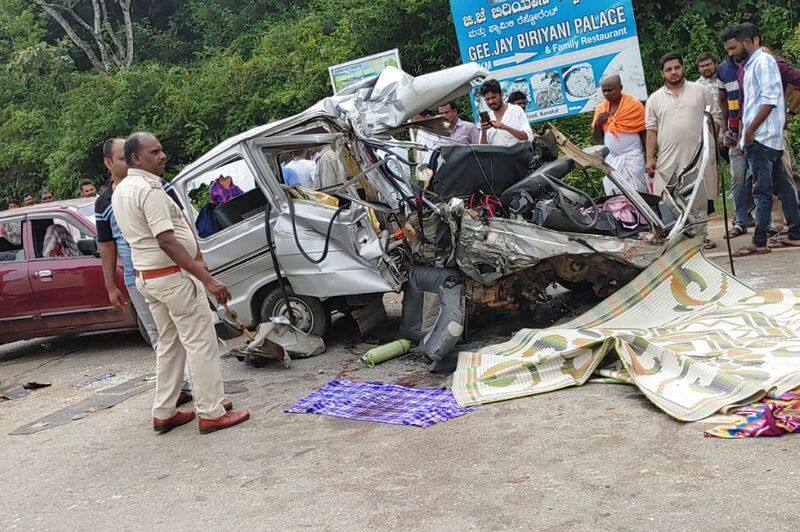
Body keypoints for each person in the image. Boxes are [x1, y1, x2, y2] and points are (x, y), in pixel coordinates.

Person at [112, 132, 250, 434]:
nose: (162, 156)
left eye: (162, 150)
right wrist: (208, 279)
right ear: (137, 158)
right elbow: (166, 241)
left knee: (170, 345)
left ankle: (164, 410)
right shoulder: (148, 190)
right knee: (201, 342)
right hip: (172, 279)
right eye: (154, 152)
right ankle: (211, 411)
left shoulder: (122, 190)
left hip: (150, 279)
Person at [95, 138, 195, 403]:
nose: (127, 164)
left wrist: (197, 261)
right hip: (139, 277)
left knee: (191, 333)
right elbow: (106, 245)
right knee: (161, 337)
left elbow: (183, 223)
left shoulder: (157, 185)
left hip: (176, 269)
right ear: (108, 163)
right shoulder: (106, 201)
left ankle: (193, 387)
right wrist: (110, 285)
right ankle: (179, 390)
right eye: (120, 159)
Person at [729, 26, 800, 256]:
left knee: (762, 190)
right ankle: (796, 233)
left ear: (749, 41)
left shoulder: (763, 62)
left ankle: (759, 241)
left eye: (733, 47)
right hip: (765, 137)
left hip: (762, 137)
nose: (731, 53)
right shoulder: (751, 65)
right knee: (783, 187)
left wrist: (749, 131)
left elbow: (769, 100)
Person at [645, 53, 722, 248]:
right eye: (668, 69)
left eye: (676, 68)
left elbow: (715, 119)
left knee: (698, 195)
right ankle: (672, 235)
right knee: (665, 195)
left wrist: (710, 144)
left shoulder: (700, 91)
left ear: (683, 68)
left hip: (697, 154)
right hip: (668, 156)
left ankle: (701, 237)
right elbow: (651, 130)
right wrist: (649, 158)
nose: (673, 72)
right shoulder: (655, 99)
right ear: (662, 73)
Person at [717, 26, 751, 238]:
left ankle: (777, 222)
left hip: (758, 132)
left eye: (733, 47)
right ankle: (740, 221)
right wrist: (726, 128)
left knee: (766, 178)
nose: (731, 53)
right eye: (727, 49)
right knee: (737, 178)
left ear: (744, 42)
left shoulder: (758, 63)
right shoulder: (723, 69)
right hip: (735, 133)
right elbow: (722, 100)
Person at [591, 74, 649, 195]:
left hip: (633, 158)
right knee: (614, 195)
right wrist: (597, 124)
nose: (606, 93)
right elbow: (597, 139)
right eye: (604, 90)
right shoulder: (601, 109)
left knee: (638, 194)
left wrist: (649, 158)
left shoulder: (634, 106)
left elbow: (643, 132)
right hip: (611, 160)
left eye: (610, 90)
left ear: (620, 88)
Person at [478, 79, 534, 147]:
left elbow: (528, 137)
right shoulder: (489, 117)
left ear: (501, 94)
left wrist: (505, 127)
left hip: (520, 156)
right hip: (498, 157)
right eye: (487, 99)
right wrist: (484, 132)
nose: (491, 102)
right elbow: (482, 150)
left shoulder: (516, 110)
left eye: (493, 97)